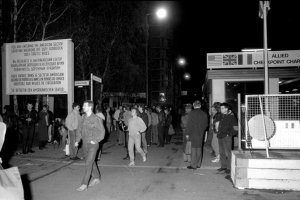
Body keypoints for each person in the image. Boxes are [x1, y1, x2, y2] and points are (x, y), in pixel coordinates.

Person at [75, 100, 105, 191]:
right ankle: (96, 177)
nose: (83, 107)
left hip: (93, 144)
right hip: (85, 143)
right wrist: (77, 140)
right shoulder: (83, 117)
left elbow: (102, 132)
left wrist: (96, 140)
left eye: (84, 106)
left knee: (88, 163)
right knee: (90, 161)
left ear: (90, 107)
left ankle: (84, 184)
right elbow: (79, 129)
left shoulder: (96, 119)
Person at [186, 100, 208, 170]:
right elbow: (206, 125)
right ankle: (198, 164)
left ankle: (193, 165)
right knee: (199, 148)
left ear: (193, 105)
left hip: (192, 133)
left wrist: (187, 134)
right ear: (200, 105)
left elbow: (188, 125)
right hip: (200, 133)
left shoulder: (191, 113)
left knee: (193, 149)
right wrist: (201, 130)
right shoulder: (204, 114)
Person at [217, 102, 238, 174]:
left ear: (226, 109)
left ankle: (229, 168)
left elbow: (236, 128)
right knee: (221, 152)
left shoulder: (231, 116)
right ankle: (223, 166)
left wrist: (229, 134)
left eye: (222, 108)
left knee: (228, 153)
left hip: (227, 137)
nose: (221, 109)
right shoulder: (222, 115)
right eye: (220, 108)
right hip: (220, 136)